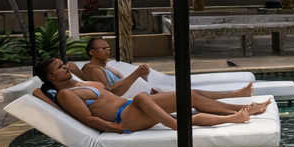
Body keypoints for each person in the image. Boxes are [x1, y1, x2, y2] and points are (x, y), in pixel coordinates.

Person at [31, 57, 263, 134]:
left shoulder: (82, 83)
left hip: (131, 106)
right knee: (143, 96)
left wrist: (73, 74)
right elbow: (87, 119)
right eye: (60, 67)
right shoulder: (66, 96)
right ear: (50, 76)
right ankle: (177, 127)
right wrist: (115, 129)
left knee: (187, 95)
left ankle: (239, 112)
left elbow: (112, 93)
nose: (66, 67)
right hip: (124, 118)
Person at [72, 36, 255, 99]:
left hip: (147, 93)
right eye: (103, 49)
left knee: (191, 93)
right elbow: (111, 93)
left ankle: (234, 95)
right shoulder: (93, 70)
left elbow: (124, 84)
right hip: (140, 100)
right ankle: (234, 96)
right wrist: (136, 73)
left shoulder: (108, 67)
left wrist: (142, 77)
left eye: (108, 47)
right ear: (92, 52)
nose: (107, 50)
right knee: (190, 95)